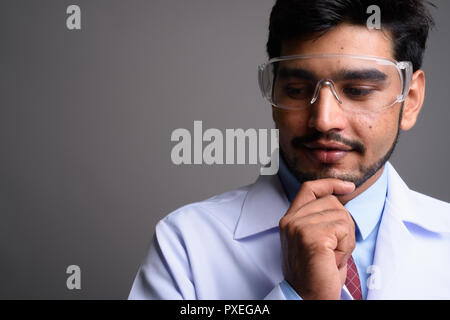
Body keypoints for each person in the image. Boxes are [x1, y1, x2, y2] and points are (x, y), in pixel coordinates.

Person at [129, 0, 450, 300]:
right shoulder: (186, 244)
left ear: (410, 101)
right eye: (297, 90)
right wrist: (296, 295)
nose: (324, 121)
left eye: (358, 91)